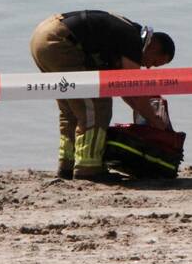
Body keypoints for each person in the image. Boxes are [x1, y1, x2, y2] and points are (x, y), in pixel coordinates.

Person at [29, 11, 176, 181]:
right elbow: (135, 88)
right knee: (98, 104)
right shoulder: (133, 41)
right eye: (155, 62)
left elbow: (124, 89)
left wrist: (145, 113)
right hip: (61, 41)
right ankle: (88, 168)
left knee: (71, 109)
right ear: (154, 46)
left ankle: (67, 164)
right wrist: (155, 121)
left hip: (42, 37)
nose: (149, 67)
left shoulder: (123, 35)